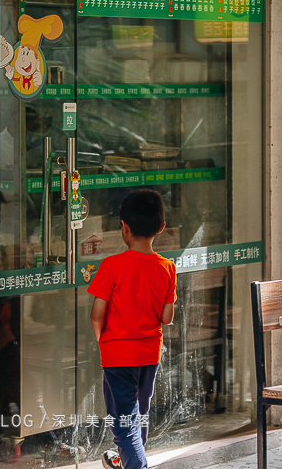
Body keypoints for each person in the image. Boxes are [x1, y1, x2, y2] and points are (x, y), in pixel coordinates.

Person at [87, 189, 177, 469]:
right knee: (140, 413)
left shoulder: (111, 266)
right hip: (149, 354)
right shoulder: (167, 268)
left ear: (124, 227)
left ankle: (136, 465)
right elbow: (166, 318)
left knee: (124, 422)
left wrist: (104, 343)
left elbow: (96, 315)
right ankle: (128, 461)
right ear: (161, 227)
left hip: (117, 356)